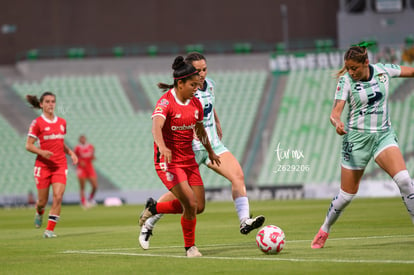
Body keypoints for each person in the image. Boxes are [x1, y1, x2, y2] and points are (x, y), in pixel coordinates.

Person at [139, 52, 265, 250]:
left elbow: (207, 106)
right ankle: (150, 222)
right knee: (185, 199)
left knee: (238, 176)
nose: (202, 74)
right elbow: (161, 121)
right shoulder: (184, 91)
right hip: (188, 148)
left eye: (205, 69)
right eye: (198, 71)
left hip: (211, 143)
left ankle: (244, 221)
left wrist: (216, 120)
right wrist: (164, 146)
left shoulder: (209, 85)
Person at [311, 43, 414, 249]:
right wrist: (337, 123)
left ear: (366, 62)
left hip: (383, 137)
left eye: (354, 68)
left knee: (404, 181)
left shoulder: (384, 71)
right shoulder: (346, 81)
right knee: (346, 196)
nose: (350, 72)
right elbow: (335, 112)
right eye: (348, 68)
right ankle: (324, 229)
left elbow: (410, 71)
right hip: (356, 141)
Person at [139, 56, 220, 257]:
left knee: (198, 207)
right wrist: (163, 147)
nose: (196, 88)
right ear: (180, 83)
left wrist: (209, 150)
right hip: (168, 162)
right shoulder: (166, 102)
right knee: (190, 204)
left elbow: (200, 130)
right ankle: (190, 247)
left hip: (188, 161)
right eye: (192, 84)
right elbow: (155, 127)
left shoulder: (195, 104)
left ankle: (155, 207)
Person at [25, 91, 78, 238]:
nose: (50, 104)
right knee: (42, 201)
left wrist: (71, 152)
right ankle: (39, 210)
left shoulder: (62, 122)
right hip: (43, 166)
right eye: (47, 101)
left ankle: (49, 230)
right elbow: (29, 145)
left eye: (53, 101)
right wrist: (42, 152)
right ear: (41, 104)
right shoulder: (37, 123)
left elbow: (60, 143)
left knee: (58, 196)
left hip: (60, 165)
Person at [74, 135, 98, 208]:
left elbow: (92, 154)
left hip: (90, 168)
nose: (83, 140)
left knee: (95, 186)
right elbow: (75, 157)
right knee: (82, 187)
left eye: (84, 138)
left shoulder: (91, 146)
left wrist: (93, 157)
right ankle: (83, 201)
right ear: (79, 140)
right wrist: (79, 162)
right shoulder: (77, 148)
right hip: (81, 168)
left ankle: (90, 199)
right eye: (81, 139)